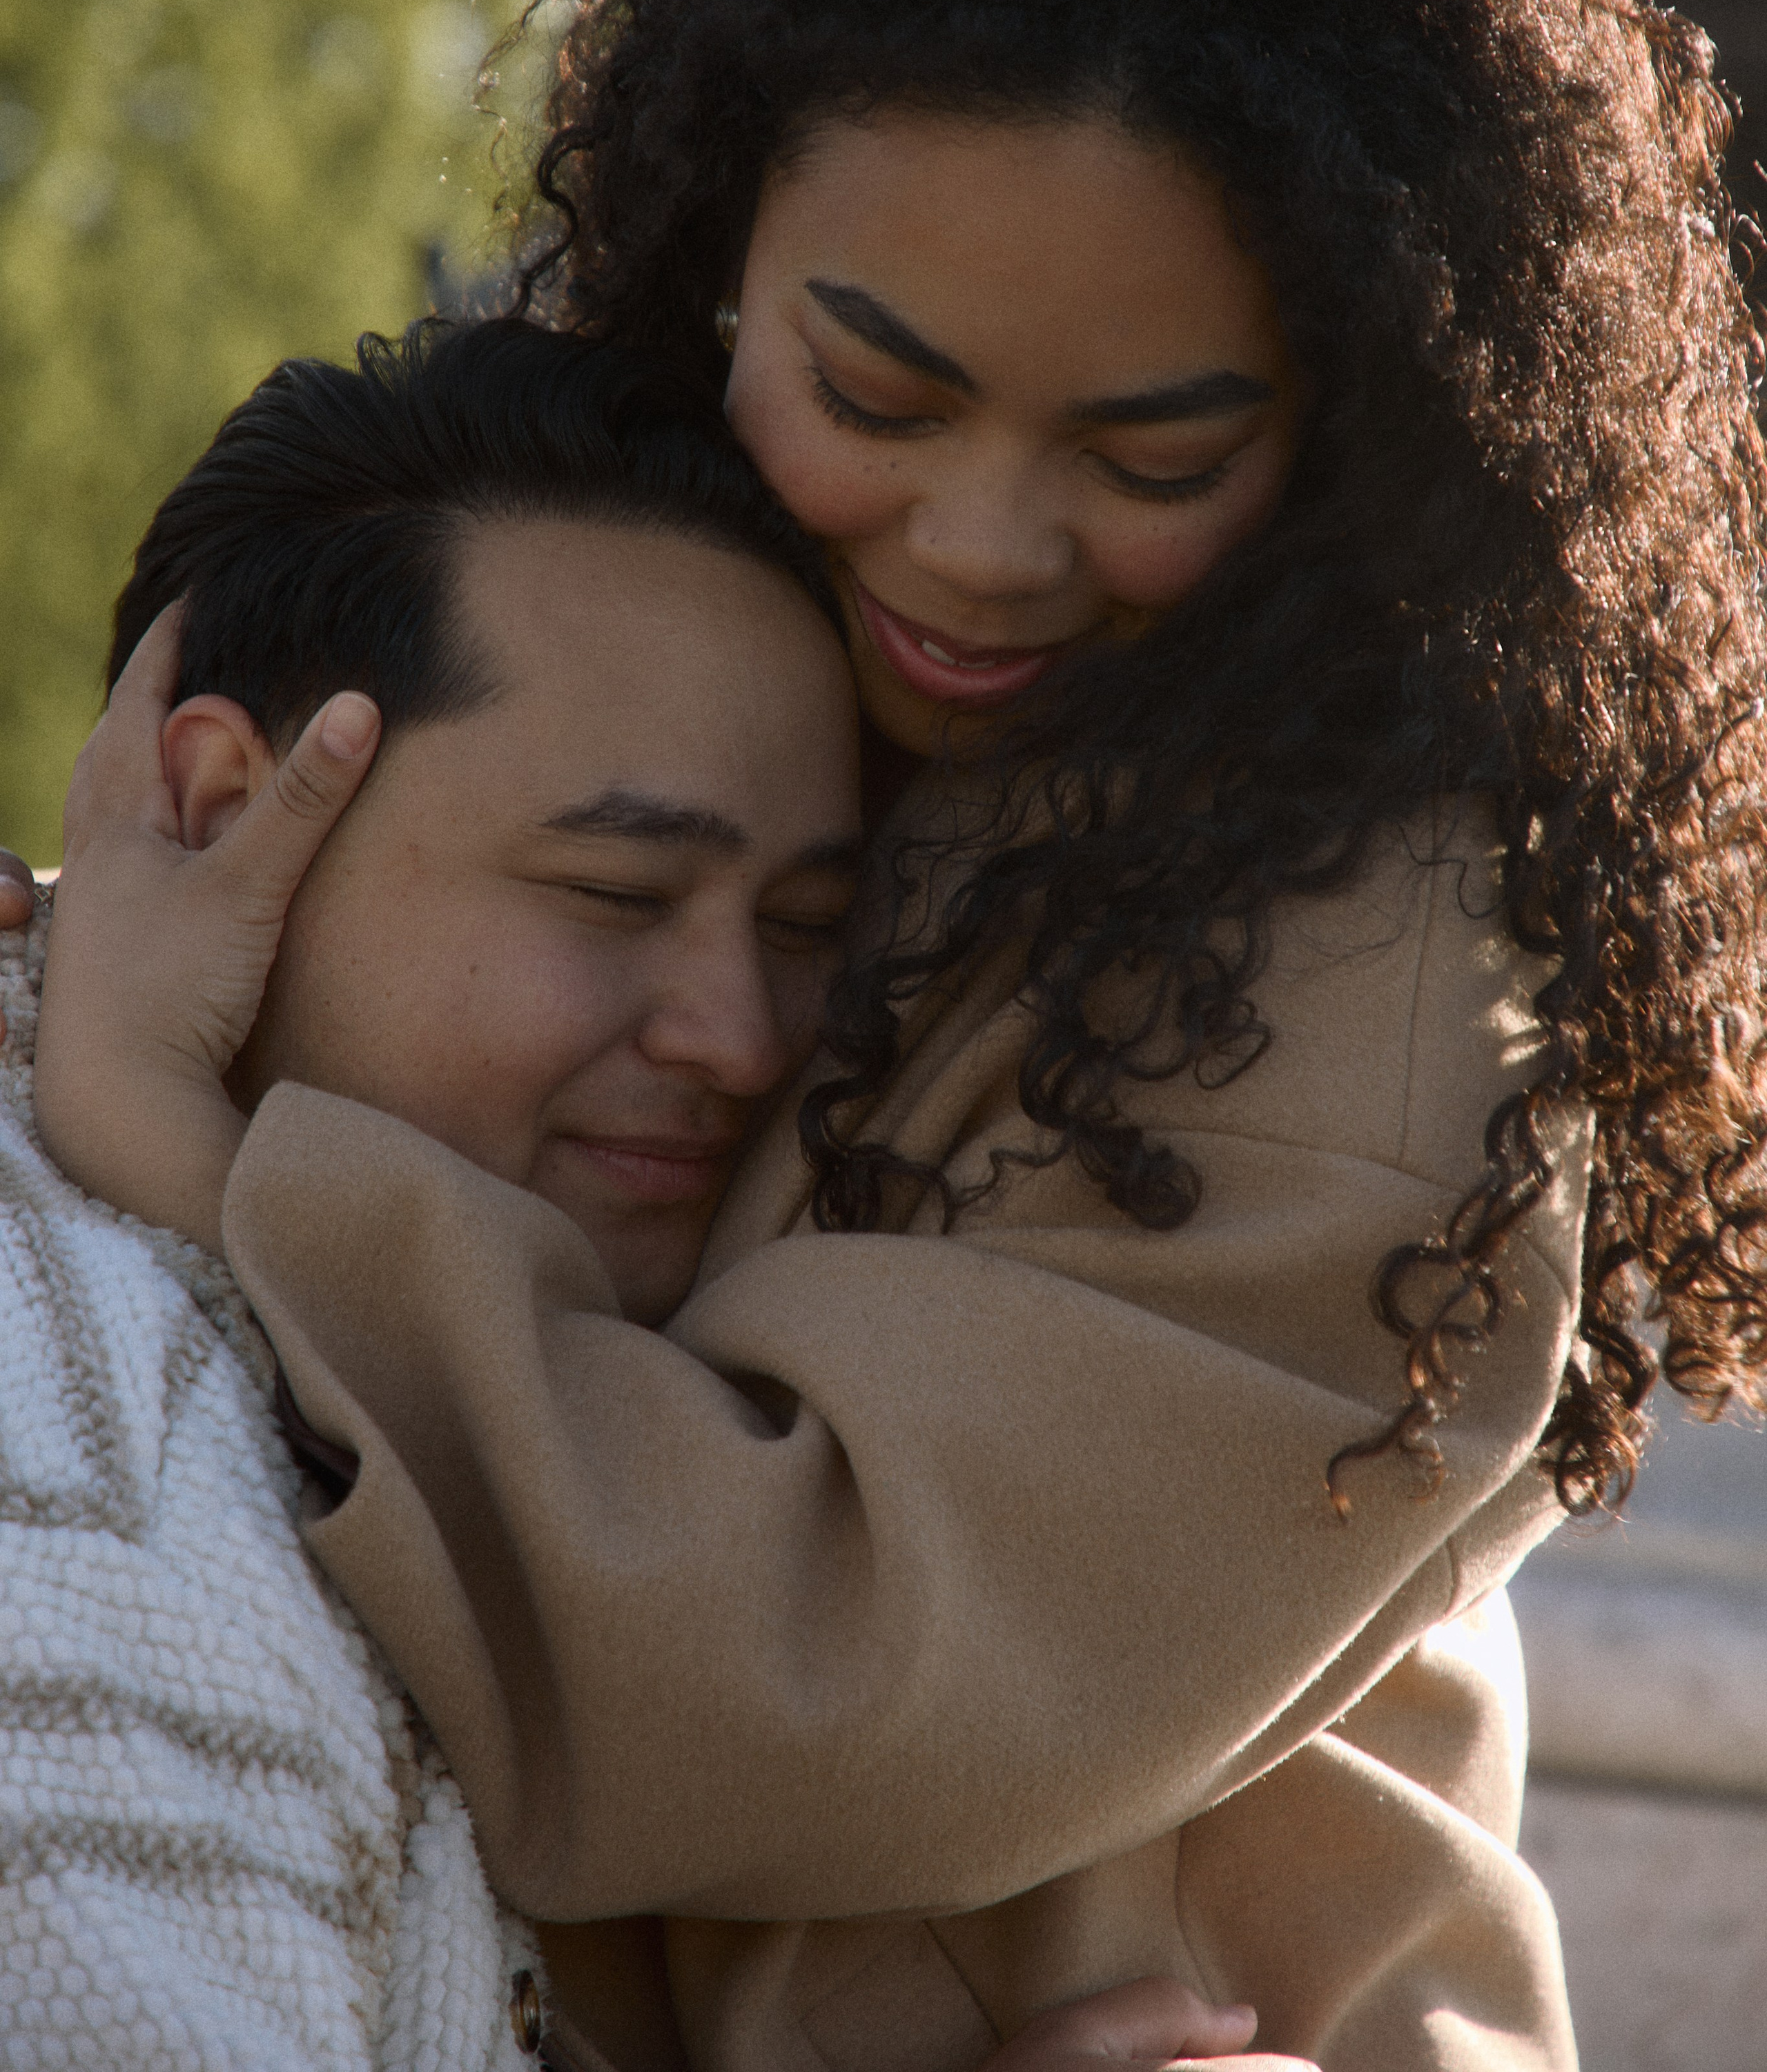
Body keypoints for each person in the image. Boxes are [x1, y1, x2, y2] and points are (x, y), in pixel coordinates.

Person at [27, 0, 1767, 2072]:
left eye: (1153, 451)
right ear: (717, 251)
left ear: (1361, 439)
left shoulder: (1387, 962)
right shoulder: (754, 632)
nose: (978, 543)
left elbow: (776, 1675)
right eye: (876, 388)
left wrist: (205, 1160)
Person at [6, 315, 1295, 2072]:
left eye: (801, 929)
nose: (743, 1038)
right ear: (222, 802)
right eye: (615, 893)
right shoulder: (77, 1467)